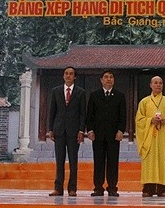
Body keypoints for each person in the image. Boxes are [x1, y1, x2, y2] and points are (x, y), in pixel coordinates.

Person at [135, 76, 165, 197]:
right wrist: (150, 120)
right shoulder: (144, 102)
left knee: (162, 161)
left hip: (163, 136)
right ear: (150, 85)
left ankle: (162, 188)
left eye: (160, 83)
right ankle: (148, 188)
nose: (158, 85)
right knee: (149, 161)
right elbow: (139, 120)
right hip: (149, 137)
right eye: (155, 83)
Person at [85, 70, 127, 197]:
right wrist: (90, 130)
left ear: (113, 80)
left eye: (111, 77)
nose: (109, 79)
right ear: (101, 80)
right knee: (98, 161)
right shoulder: (94, 95)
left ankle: (112, 187)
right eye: (106, 77)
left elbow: (123, 115)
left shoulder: (120, 96)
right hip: (98, 135)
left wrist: (121, 130)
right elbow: (89, 115)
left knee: (113, 162)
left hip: (114, 135)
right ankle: (98, 187)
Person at [47, 66, 86, 197]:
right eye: (66, 73)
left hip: (74, 131)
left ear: (75, 77)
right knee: (59, 160)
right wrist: (50, 129)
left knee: (73, 160)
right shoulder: (56, 91)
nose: (68, 76)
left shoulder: (81, 92)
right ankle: (58, 188)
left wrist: (81, 131)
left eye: (71, 74)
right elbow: (52, 111)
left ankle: (72, 188)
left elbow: (82, 114)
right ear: (63, 76)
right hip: (59, 130)